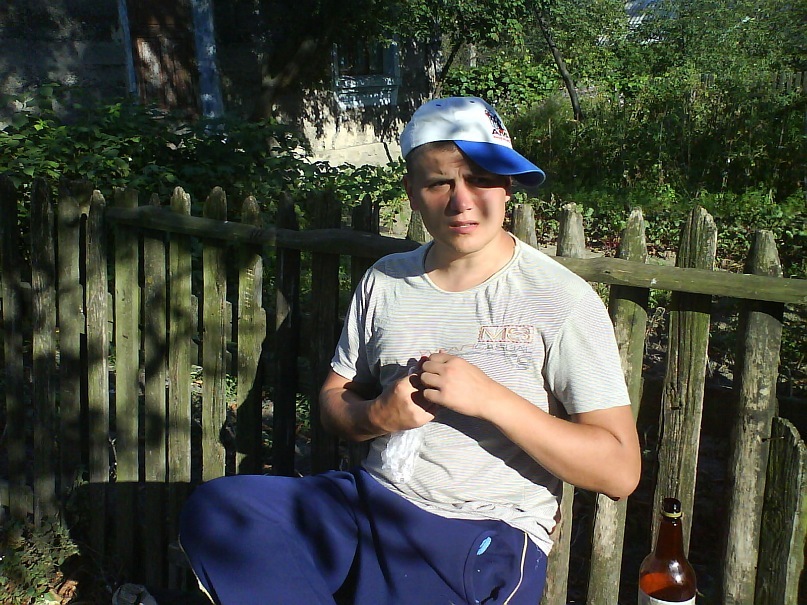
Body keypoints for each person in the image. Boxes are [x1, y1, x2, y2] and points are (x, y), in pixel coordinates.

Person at [179, 96, 641, 605]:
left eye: (481, 179)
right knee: (223, 511)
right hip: (369, 503)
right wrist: (378, 414)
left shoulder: (560, 299)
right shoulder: (386, 281)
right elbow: (334, 399)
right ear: (412, 194)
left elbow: (619, 472)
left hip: (482, 533)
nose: (462, 201)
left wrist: (492, 401)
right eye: (439, 182)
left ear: (508, 187)